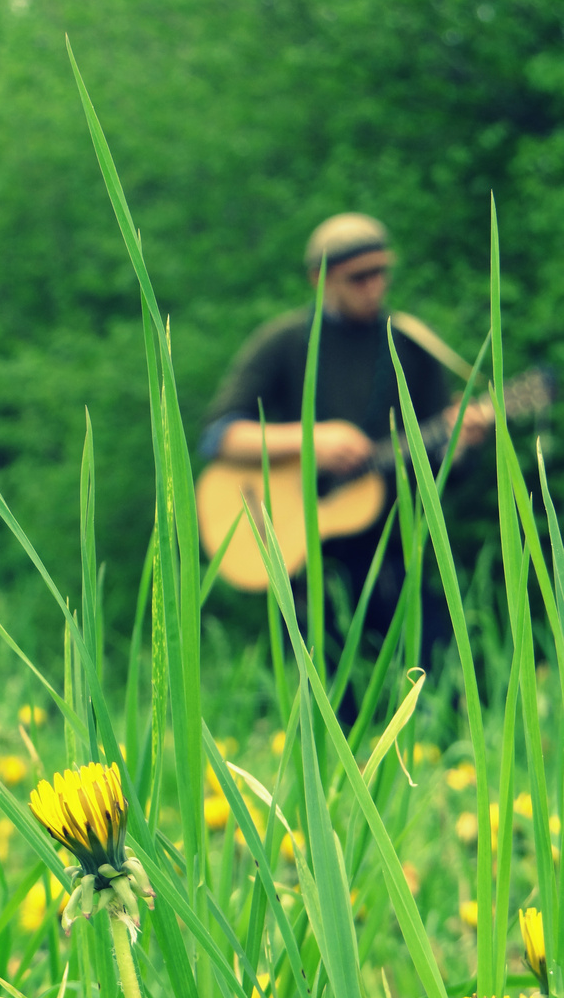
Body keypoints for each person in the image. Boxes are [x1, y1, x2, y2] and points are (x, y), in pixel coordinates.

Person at [200, 213, 487, 683]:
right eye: (359, 277)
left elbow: (441, 472)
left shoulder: (410, 343)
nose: (374, 286)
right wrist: (312, 440)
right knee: (329, 697)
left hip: (394, 551)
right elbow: (219, 434)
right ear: (320, 278)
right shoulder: (285, 341)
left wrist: (460, 444)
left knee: (442, 683)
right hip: (309, 565)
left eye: (381, 273)